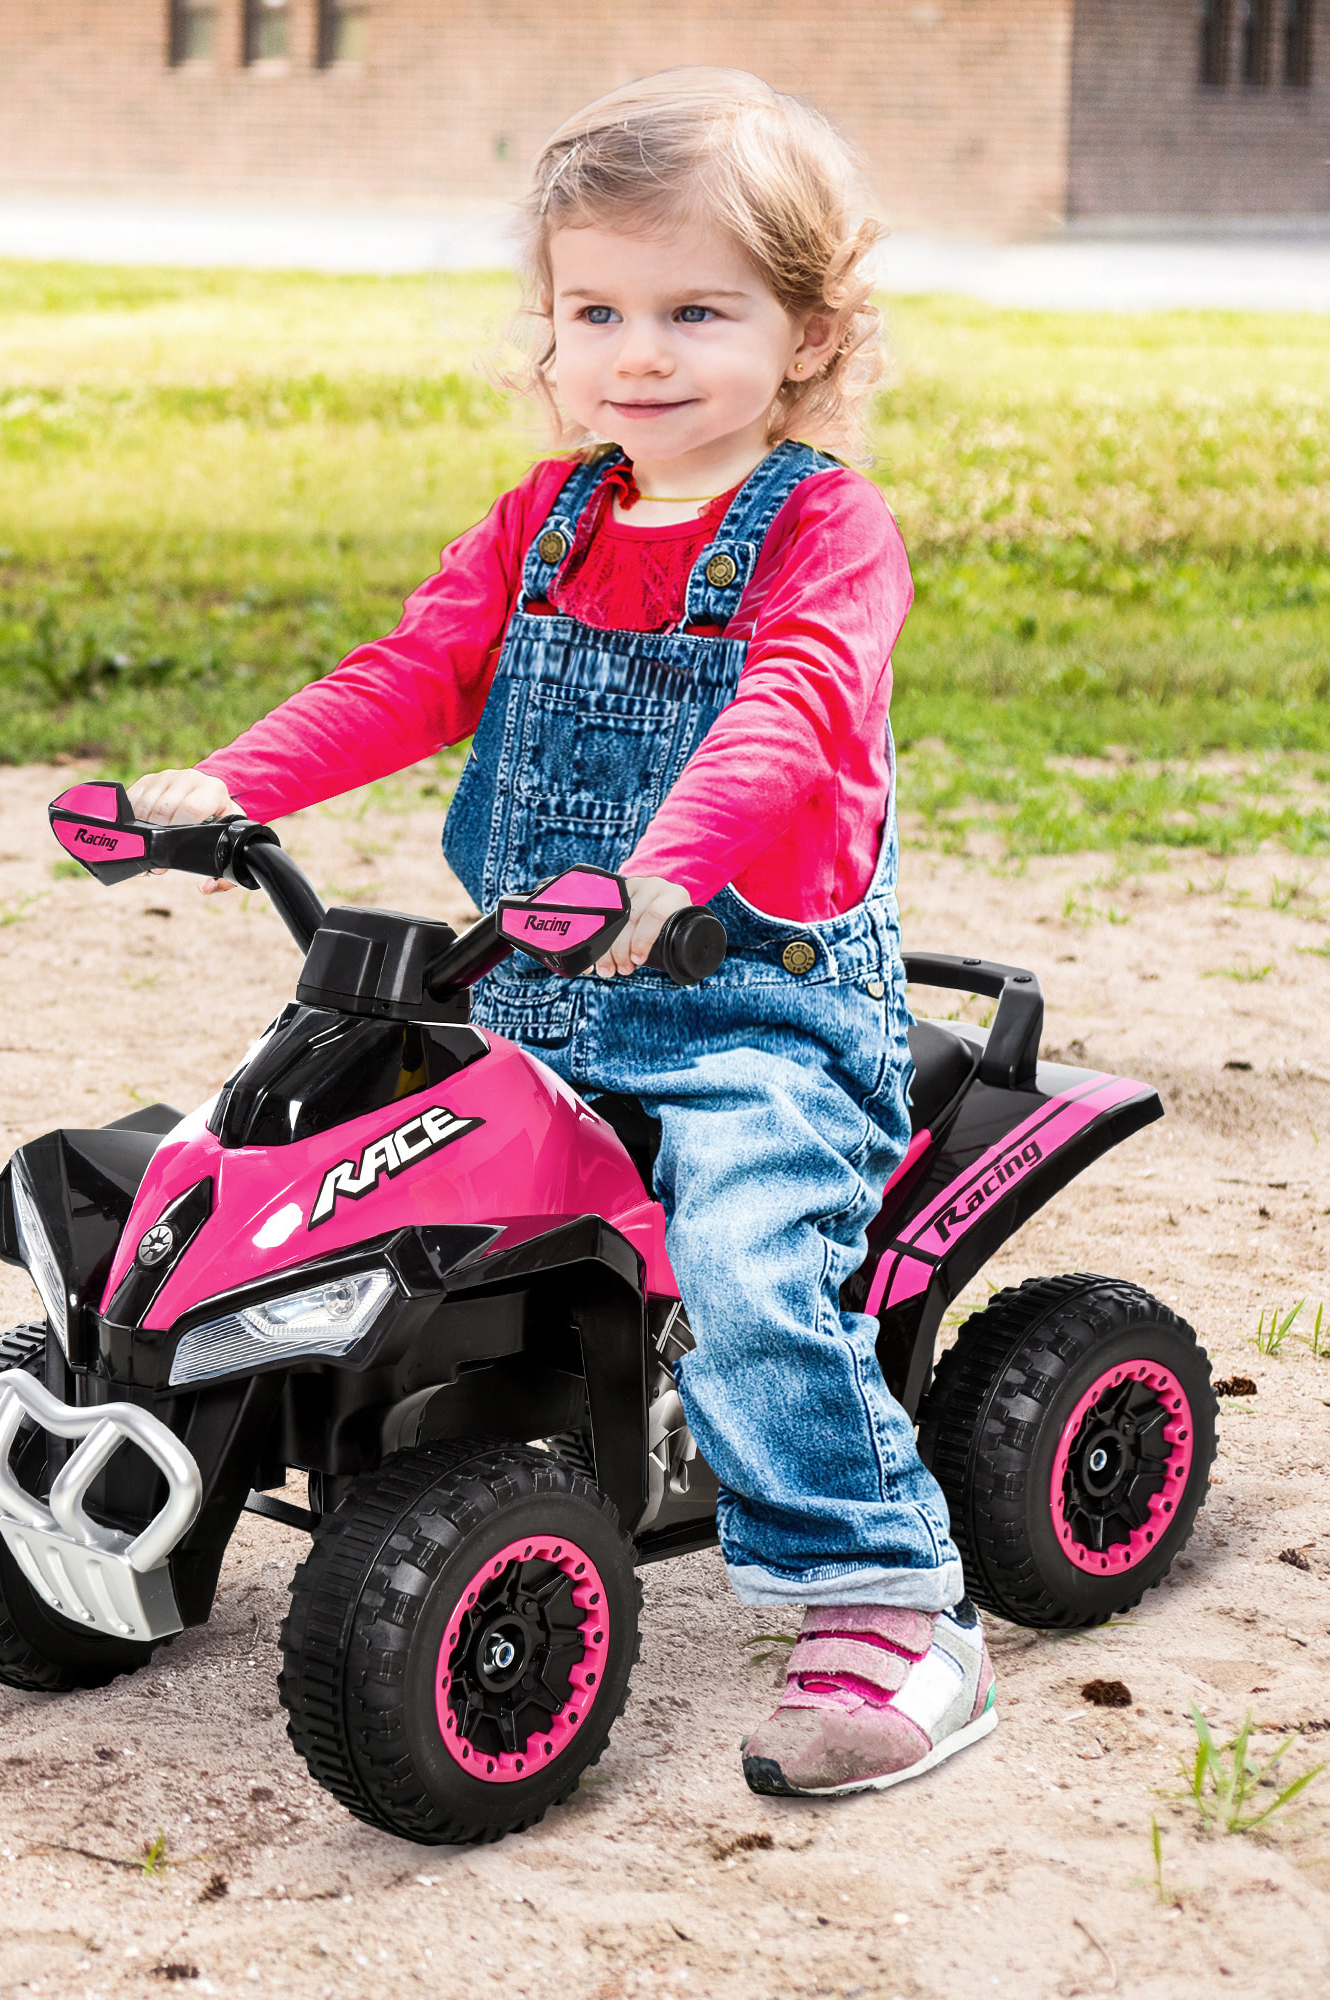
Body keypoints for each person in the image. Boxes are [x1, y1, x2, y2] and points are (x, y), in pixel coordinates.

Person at [130, 67, 996, 1798]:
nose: (641, 354)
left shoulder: (826, 533)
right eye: (597, 309)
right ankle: (158, 1474)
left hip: (758, 1010)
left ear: (811, 334)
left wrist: (671, 869)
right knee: (282, 1158)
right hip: (526, 994)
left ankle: (887, 1601)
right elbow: (411, 675)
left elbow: (791, 710)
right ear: (550, 325)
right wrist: (230, 781)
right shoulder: (546, 524)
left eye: (696, 310)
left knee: (751, 1268)